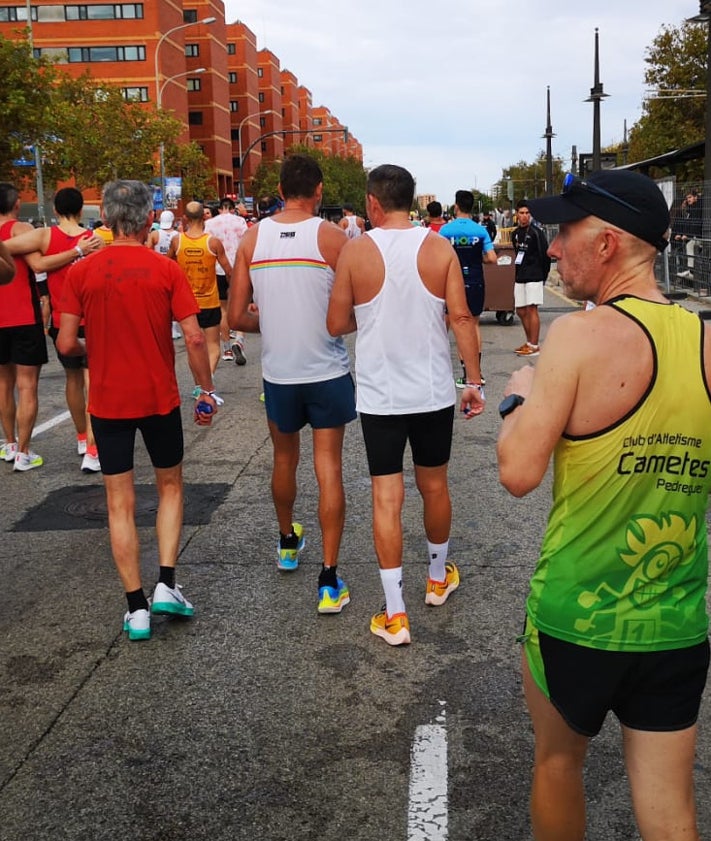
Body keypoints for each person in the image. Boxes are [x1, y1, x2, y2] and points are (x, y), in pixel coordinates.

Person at [496, 169, 711, 841]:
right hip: (674, 620)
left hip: (575, 617)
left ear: (608, 243)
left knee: (558, 764)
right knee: (669, 806)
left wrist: (520, 395)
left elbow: (516, 471)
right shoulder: (706, 343)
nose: (555, 248)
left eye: (566, 232)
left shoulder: (577, 340)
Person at [327, 164, 485, 646]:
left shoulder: (355, 252)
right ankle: (437, 579)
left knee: (386, 497)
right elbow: (460, 316)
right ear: (411, 200)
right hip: (433, 390)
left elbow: (336, 323)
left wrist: (372, 318)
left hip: (381, 395)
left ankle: (395, 613)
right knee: (434, 486)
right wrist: (473, 379)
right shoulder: (437, 247)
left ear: (372, 203)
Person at [57, 179, 218, 642]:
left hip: (107, 402)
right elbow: (192, 337)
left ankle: (136, 608)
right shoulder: (165, 270)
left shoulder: (84, 272)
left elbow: (67, 343)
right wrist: (205, 390)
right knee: (170, 486)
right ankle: (167, 582)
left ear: (105, 220)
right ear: (149, 219)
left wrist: (99, 344)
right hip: (158, 397)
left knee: (119, 503)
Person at [229, 154, 355, 615]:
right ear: (318, 191)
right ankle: (328, 578)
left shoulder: (251, 238)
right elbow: (353, 310)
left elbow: (236, 316)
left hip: (278, 373)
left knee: (284, 459)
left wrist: (275, 322)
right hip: (327, 371)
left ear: (280, 190)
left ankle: (286, 543)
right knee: (329, 466)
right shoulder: (333, 237)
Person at [5, 188, 104, 471]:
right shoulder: (94, 240)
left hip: (62, 321)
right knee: (92, 383)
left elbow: (7, 247)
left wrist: (34, 257)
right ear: (82, 208)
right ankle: (93, 450)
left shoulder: (44, 236)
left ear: (56, 210)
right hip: (92, 320)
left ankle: (83, 438)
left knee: (72, 380)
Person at [438, 190, 498, 387]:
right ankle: (476, 374)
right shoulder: (480, 231)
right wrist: (476, 258)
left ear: (456, 206)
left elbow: (438, 258)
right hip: (475, 281)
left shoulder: (445, 231)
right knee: (473, 325)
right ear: (472, 207)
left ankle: (463, 375)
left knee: (456, 325)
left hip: (452, 283)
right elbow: (492, 258)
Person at [167, 201, 232, 377]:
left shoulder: (177, 241)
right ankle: (206, 385)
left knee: (192, 347)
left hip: (186, 304)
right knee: (213, 347)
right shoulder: (213, 242)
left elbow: (167, 266)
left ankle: (200, 386)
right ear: (204, 216)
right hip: (210, 302)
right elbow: (228, 271)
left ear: (185, 218)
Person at [204, 197, 248, 365]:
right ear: (232, 207)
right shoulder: (240, 221)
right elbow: (245, 243)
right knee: (240, 306)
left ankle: (227, 348)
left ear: (220, 207)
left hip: (218, 269)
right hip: (238, 268)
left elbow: (208, 245)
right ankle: (239, 340)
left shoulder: (211, 224)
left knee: (223, 309)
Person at [511, 199, 550, 357]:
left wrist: (543, 276)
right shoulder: (514, 234)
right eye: (522, 213)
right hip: (520, 276)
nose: (525, 216)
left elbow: (545, 256)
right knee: (520, 310)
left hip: (535, 276)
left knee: (532, 309)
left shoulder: (536, 233)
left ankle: (534, 345)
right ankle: (529, 342)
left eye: (527, 213)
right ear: (517, 214)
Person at [147, 210, 181, 339]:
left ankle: (162, 325)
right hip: (173, 268)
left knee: (160, 298)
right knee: (173, 298)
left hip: (158, 269)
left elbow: (148, 251)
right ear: (173, 221)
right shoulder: (178, 235)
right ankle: (174, 327)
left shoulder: (155, 234)